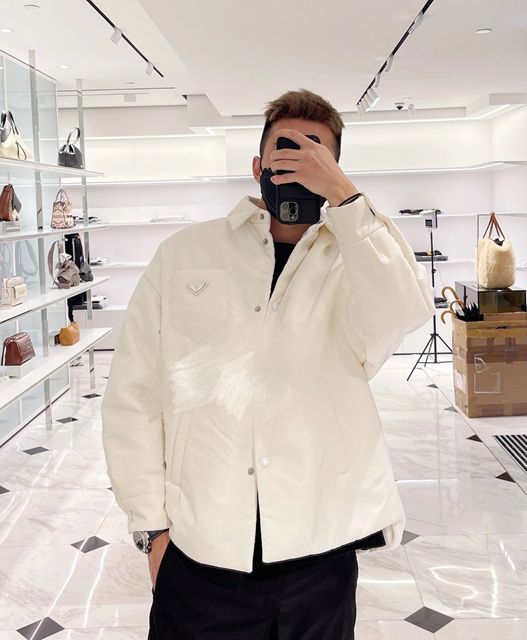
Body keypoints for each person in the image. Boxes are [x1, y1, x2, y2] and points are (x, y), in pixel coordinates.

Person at [101, 88, 435, 639]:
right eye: (286, 150)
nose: (298, 164)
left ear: (334, 168)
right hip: (201, 549)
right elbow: (134, 393)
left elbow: (405, 310)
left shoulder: (356, 260)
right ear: (257, 166)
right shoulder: (184, 255)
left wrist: (345, 199)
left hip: (320, 548)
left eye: (315, 154)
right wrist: (151, 530)